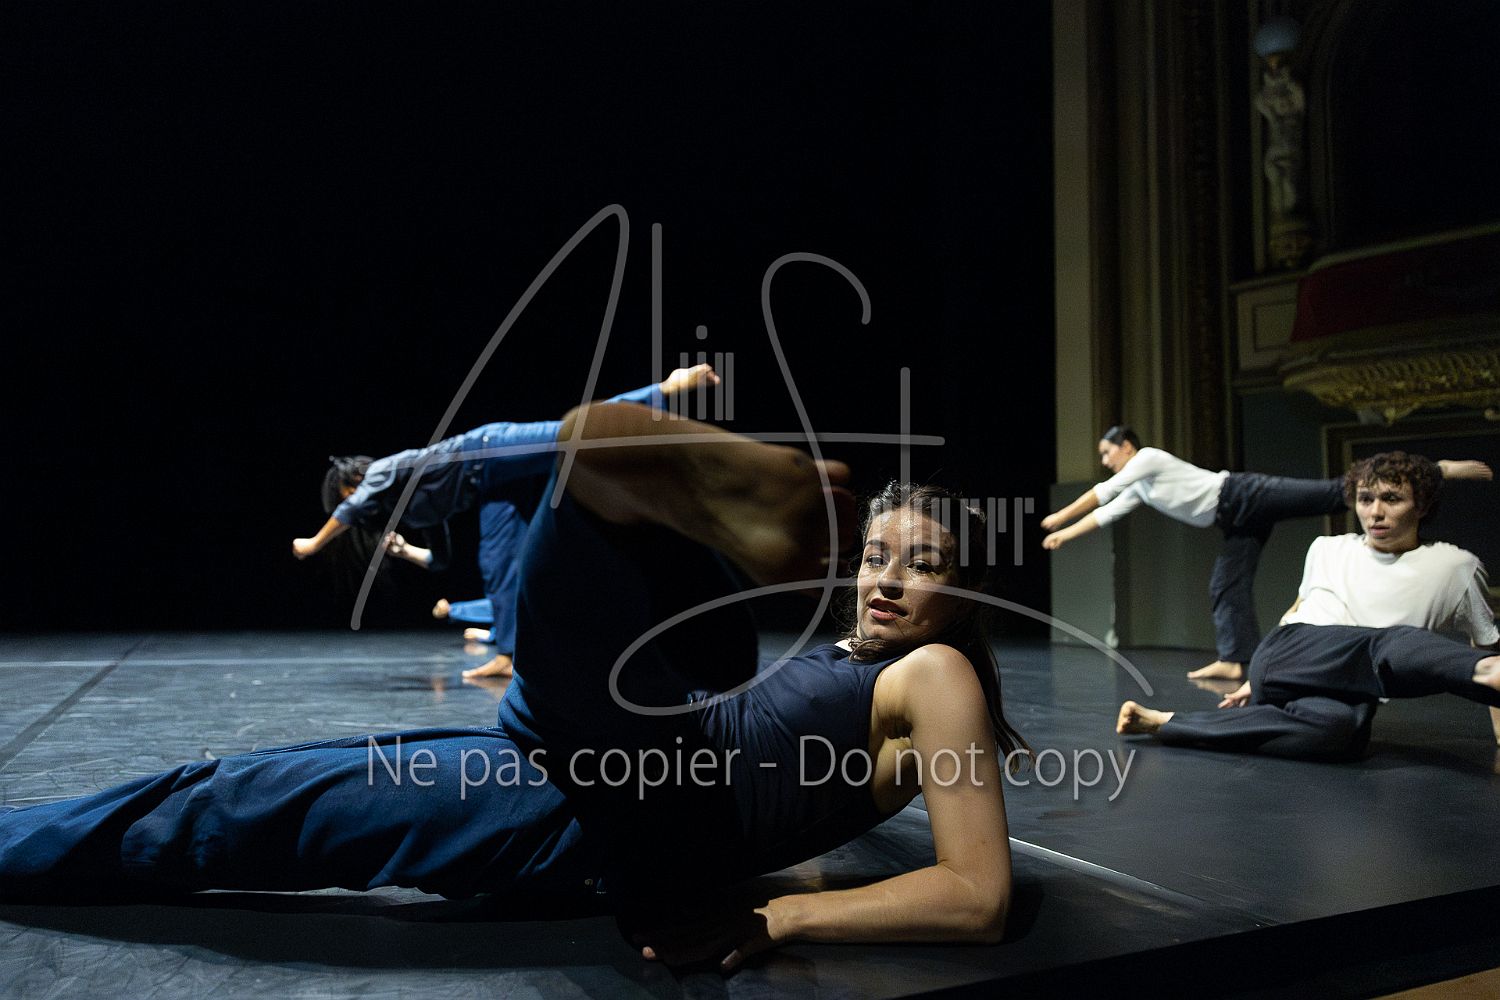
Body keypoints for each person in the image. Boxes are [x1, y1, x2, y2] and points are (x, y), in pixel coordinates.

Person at [2, 401, 1025, 972]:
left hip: (647, 795)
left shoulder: (939, 673)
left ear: (970, 588)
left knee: (247, 808)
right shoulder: (868, 665)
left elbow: (977, 893)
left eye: (923, 564)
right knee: (240, 794)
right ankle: (612, 505)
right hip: (611, 747)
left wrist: (781, 917)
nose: (887, 580)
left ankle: (605, 497)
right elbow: (848, 791)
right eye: (876, 555)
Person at [296, 364, 720, 680]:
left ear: (353, 482)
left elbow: (353, 508)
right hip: (491, 488)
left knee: (571, 433)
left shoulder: (381, 471)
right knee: (496, 561)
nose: (349, 503)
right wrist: (407, 551)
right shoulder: (413, 508)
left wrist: (314, 543)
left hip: (488, 449)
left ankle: (665, 388)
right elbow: (440, 559)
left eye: (344, 494)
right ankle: (507, 655)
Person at [1116, 451, 1500, 760]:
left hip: (1352, 683)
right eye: (1365, 500)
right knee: (1388, 641)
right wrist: (1258, 676)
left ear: (1422, 505)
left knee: (1340, 732)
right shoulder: (1328, 548)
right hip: (1291, 651)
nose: (1375, 512)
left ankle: (1166, 723)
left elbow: (1484, 640)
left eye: (1391, 499)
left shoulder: (1455, 567)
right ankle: (1486, 673)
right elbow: (1297, 612)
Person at [1040, 425, 1491, 681]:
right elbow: (1109, 511)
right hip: (1234, 518)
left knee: (1335, 492)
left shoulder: (1146, 459)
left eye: (1107, 452)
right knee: (1225, 584)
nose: (1105, 460)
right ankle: (1235, 660)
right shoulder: (1141, 485)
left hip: (1244, 494)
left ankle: (1435, 469)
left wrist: (1058, 516)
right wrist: (1067, 535)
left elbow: (1102, 493)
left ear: (1125, 447)